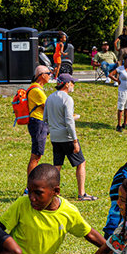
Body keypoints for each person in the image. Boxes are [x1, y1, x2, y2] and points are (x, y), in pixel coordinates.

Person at [43, 73, 97, 201]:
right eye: (73, 83)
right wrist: (75, 140)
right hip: (66, 137)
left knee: (57, 165)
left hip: (54, 137)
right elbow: (69, 121)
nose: (73, 85)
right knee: (81, 163)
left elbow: (45, 118)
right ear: (67, 84)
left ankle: (52, 192)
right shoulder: (67, 99)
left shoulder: (50, 97)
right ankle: (82, 194)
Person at [26, 65, 52, 176]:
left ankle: (32, 182)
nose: (50, 76)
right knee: (35, 156)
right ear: (42, 75)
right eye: (49, 74)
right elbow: (48, 106)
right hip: (38, 123)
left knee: (37, 155)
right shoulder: (36, 90)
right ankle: (30, 184)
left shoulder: (36, 87)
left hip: (39, 123)